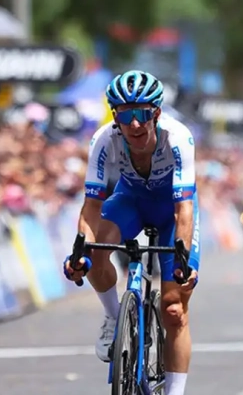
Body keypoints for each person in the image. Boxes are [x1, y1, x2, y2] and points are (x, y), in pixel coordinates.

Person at [63, 70, 200, 395]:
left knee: (174, 310)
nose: (135, 124)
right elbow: (92, 207)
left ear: (156, 113)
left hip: (171, 210)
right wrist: (80, 253)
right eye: (126, 115)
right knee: (95, 253)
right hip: (131, 201)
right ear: (115, 117)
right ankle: (114, 317)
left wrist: (183, 261)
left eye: (142, 113)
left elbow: (183, 209)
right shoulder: (103, 140)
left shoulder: (178, 138)